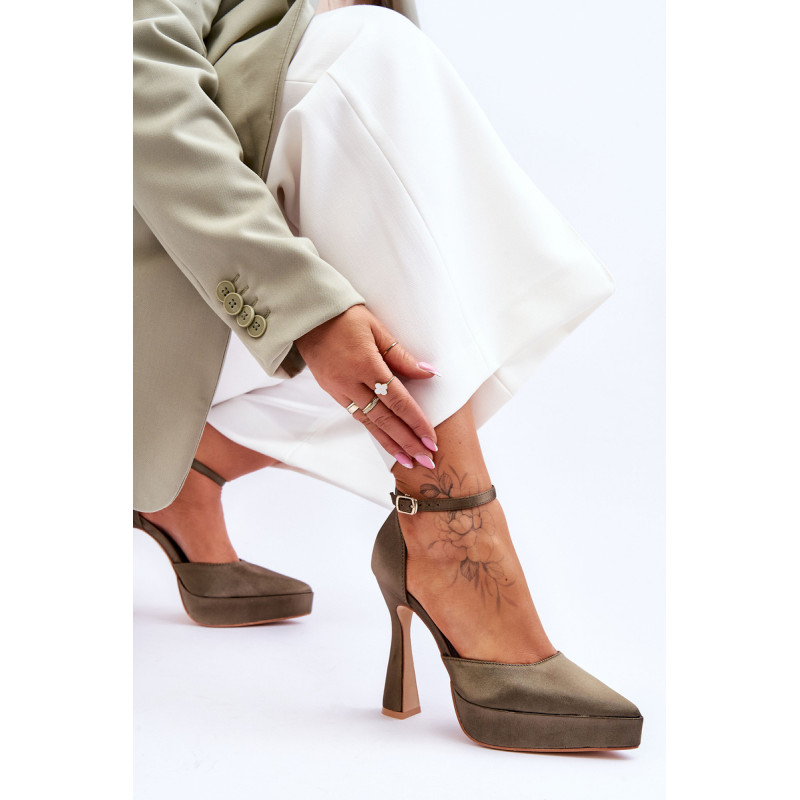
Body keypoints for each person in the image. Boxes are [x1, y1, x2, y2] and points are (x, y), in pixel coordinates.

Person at [133, 0, 643, 752]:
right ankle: (451, 536)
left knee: (376, 67)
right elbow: (132, 75)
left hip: (195, 287)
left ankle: (191, 473)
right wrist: (301, 307)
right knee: (363, 54)